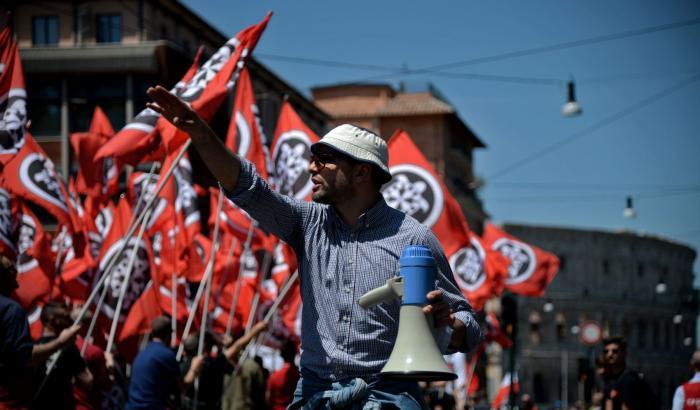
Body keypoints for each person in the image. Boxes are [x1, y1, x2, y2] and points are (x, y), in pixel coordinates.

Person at [146, 85, 482, 409]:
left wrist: (450, 323)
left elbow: (469, 326)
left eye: (324, 159)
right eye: (312, 157)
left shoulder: (414, 238)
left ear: (362, 172)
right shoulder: (307, 223)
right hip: (315, 393)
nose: (311, 167)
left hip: (386, 397)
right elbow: (248, 188)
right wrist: (201, 135)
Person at [124, 316, 204, 410]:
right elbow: (181, 387)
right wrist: (194, 369)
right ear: (169, 335)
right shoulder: (166, 355)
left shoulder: (141, 353)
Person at [31, 301, 94, 410]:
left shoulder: (34, 347)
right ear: (52, 320)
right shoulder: (67, 347)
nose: (69, 321)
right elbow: (88, 381)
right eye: (65, 317)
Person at [601, 336, 658, 410]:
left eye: (615, 351)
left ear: (624, 353)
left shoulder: (629, 380)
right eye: (606, 351)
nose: (610, 354)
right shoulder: (611, 382)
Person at [266, 339, 300, 410]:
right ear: (294, 353)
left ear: (282, 354)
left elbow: (268, 399)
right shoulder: (300, 375)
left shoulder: (274, 376)